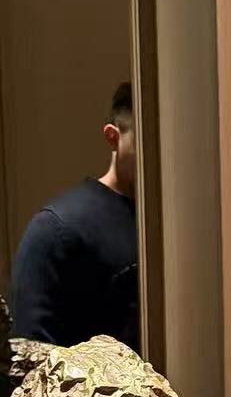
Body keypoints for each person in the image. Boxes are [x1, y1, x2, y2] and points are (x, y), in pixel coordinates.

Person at [9, 80, 139, 352]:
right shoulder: (58, 229)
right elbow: (34, 354)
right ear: (113, 137)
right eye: (145, 143)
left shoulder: (172, 225)